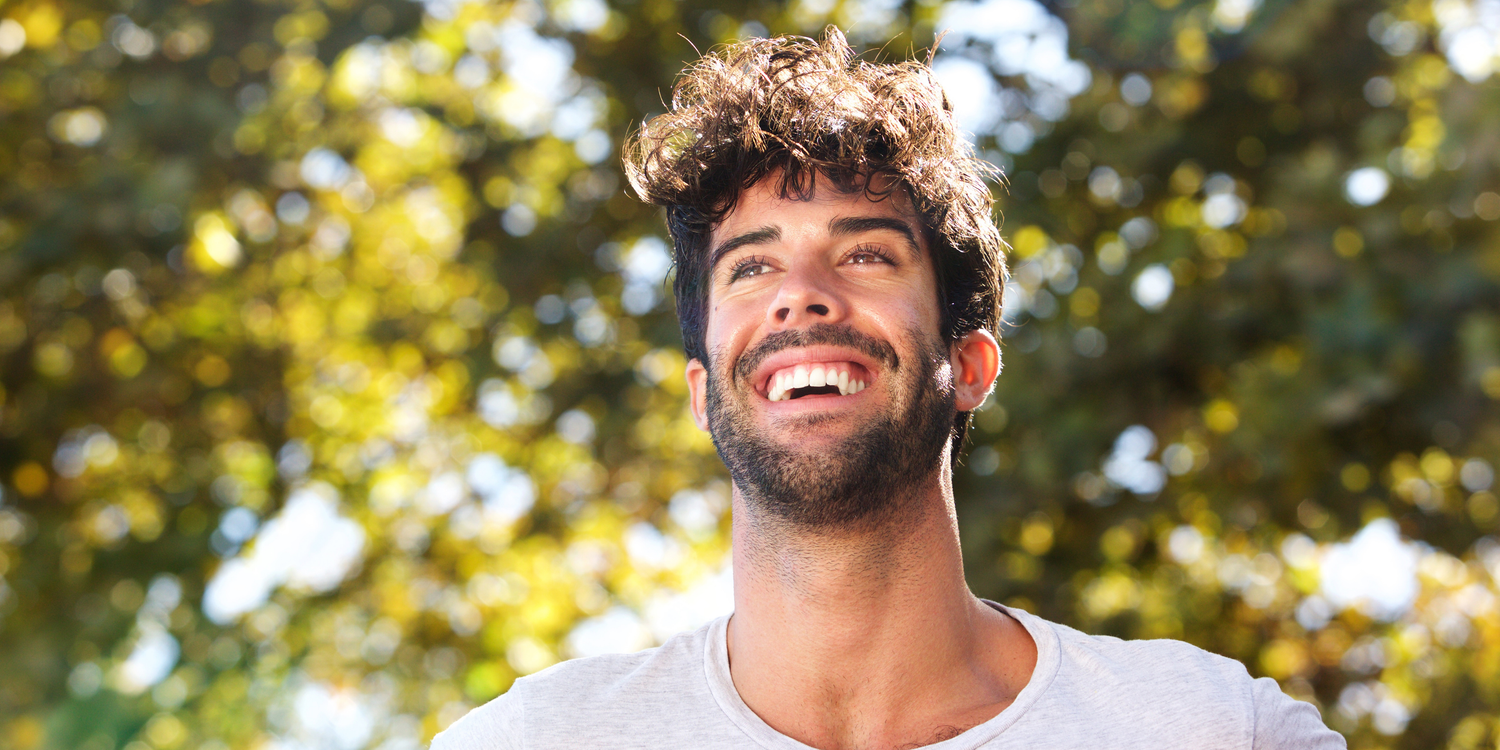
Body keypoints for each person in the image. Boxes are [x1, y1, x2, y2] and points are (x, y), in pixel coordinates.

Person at [434, 28, 1345, 750]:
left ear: (973, 367)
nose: (802, 294)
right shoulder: (538, 740)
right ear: (701, 393)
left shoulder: (1210, 732)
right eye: (751, 269)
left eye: (866, 253)